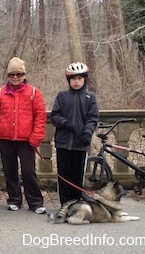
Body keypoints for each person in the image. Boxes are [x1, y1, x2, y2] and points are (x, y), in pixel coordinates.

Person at [0, 57, 47, 214]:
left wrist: (36, 137)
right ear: (8, 76)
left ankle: (35, 201)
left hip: (26, 140)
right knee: (10, 171)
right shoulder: (0, 94)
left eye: (18, 74)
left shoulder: (34, 93)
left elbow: (40, 117)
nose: (15, 77)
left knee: (28, 171)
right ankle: (14, 199)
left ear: (24, 75)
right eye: (12, 74)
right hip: (5, 139)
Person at [50, 62, 99, 206]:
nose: (76, 81)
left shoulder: (90, 98)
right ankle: (65, 204)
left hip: (80, 143)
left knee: (77, 176)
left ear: (84, 80)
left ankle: (76, 203)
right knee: (64, 176)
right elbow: (55, 115)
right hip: (63, 143)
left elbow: (93, 118)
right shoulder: (62, 96)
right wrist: (67, 124)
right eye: (73, 79)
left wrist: (88, 132)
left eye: (79, 78)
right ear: (69, 80)